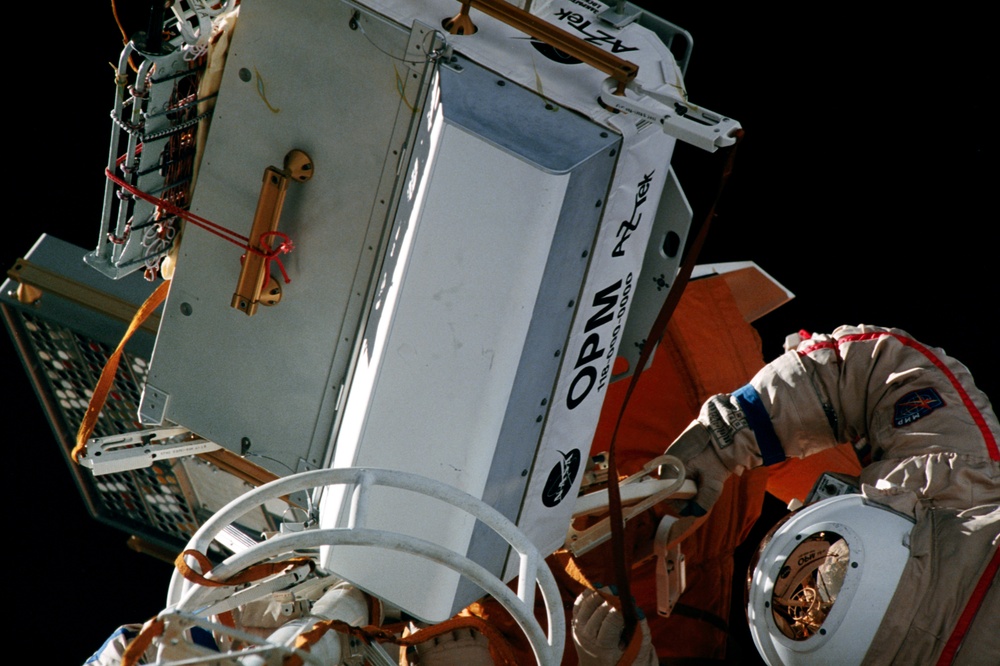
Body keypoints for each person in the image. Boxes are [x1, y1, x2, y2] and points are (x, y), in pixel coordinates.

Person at [664, 323, 999, 664]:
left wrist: (729, 431)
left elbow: (879, 365)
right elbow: (880, 369)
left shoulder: (956, 489)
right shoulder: (951, 483)